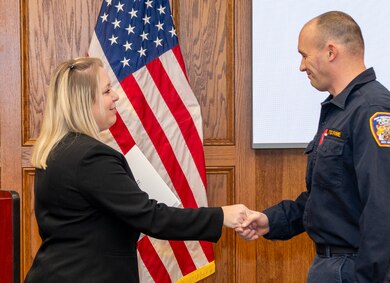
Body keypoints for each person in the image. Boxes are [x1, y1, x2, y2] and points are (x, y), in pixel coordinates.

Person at [24, 57, 249, 283]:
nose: (116, 96)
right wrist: (221, 216)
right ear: (84, 102)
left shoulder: (53, 151)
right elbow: (152, 217)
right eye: (106, 91)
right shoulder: (91, 157)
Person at [238, 11, 390, 283]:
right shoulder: (341, 110)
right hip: (334, 266)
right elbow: (328, 198)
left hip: (358, 270)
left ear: (331, 51)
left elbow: (384, 210)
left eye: (304, 55)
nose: (301, 66)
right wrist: (271, 220)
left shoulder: (373, 111)